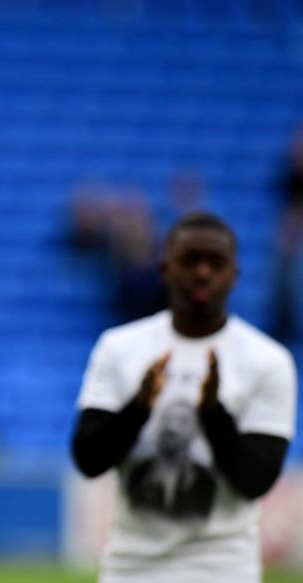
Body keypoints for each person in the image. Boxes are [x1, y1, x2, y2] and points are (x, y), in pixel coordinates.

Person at [71, 212, 297, 583]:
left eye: (216, 262)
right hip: (131, 570)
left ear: (235, 274)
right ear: (165, 268)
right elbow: (89, 459)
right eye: (190, 261)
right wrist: (139, 407)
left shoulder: (267, 361)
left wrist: (213, 414)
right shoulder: (120, 347)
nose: (203, 272)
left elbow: (256, 480)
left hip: (225, 570)